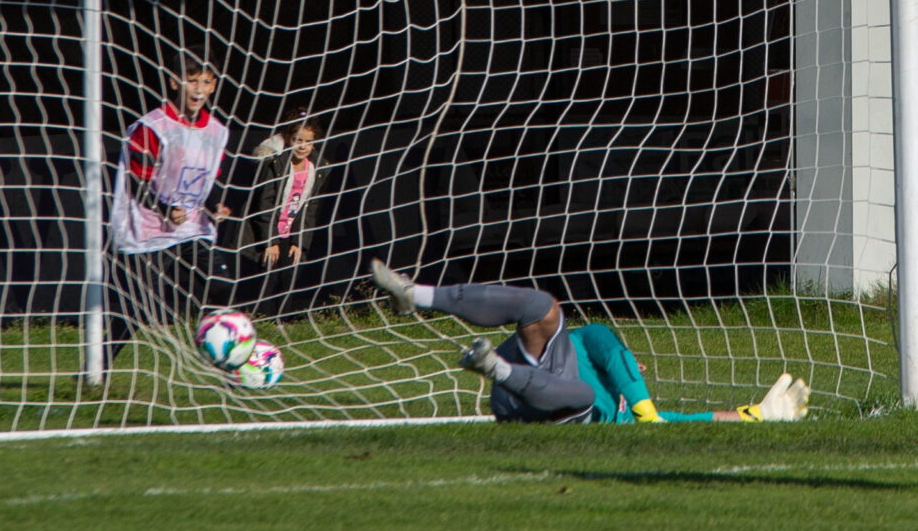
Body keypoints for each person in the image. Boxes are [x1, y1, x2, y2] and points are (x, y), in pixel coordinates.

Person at [365, 261, 809, 424]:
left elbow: (693, 417)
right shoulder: (594, 350)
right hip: (530, 369)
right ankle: (415, 295)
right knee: (541, 304)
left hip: (542, 404)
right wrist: (642, 405)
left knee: (579, 395)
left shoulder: (631, 421)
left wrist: (759, 416)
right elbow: (603, 342)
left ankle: (491, 367)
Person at [106, 54, 234, 364]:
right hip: (147, 224)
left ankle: (224, 359)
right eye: (192, 80)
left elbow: (204, 181)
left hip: (191, 225)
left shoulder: (217, 132)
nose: (198, 89)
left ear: (214, 86)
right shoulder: (153, 126)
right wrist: (165, 208)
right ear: (175, 81)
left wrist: (215, 205)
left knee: (220, 286)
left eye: (206, 81)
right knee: (136, 307)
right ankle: (96, 368)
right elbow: (135, 180)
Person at [232, 115, 324, 313]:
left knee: (288, 277)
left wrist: (300, 241)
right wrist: (270, 241)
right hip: (270, 231)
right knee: (267, 279)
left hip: (291, 234)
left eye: (308, 142)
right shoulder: (278, 165)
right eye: (298, 140)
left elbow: (310, 209)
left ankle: (282, 322)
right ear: (288, 140)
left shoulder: (317, 168)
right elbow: (265, 204)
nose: (303, 146)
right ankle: (261, 320)